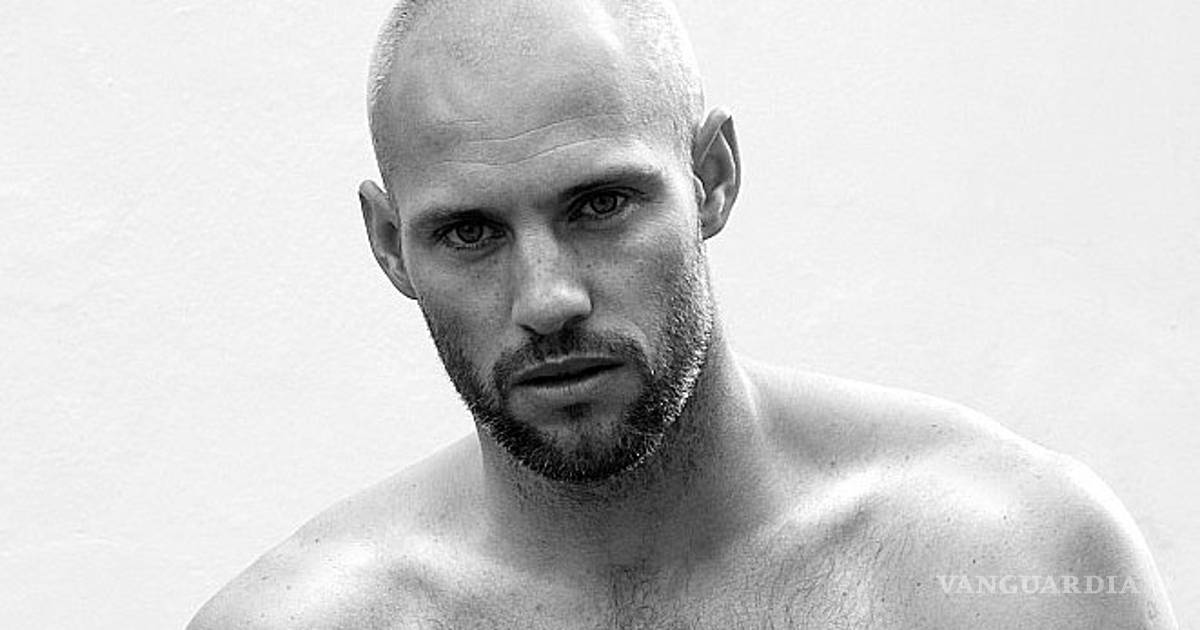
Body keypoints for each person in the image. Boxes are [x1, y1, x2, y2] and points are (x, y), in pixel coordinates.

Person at [190, 0, 1178, 627]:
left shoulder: (1008, 568)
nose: (548, 299)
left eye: (600, 205)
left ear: (711, 177)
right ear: (388, 244)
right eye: (471, 233)